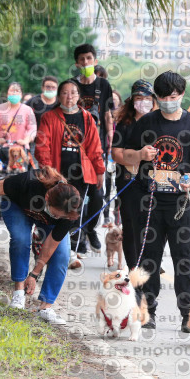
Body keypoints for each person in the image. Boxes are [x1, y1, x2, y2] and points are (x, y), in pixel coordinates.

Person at [123, 71, 190, 332]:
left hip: (183, 202)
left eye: (172, 97)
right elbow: (125, 155)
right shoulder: (146, 123)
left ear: (182, 95)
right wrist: (140, 155)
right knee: (148, 258)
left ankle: (189, 315)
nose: (167, 102)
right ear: (157, 97)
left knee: (185, 258)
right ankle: (146, 311)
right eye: (162, 97)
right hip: (149, 201)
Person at [0, 166, 81, 324]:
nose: (57, 217)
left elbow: (51, 244)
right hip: (17, 206)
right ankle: (19, 293)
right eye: (55, 214)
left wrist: (34, 274)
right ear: (47, 197)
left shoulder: (69, 211)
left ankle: (45, 307)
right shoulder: (29, 181)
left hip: (45, 221)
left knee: (62, 254)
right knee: (21, 239)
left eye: (60, 216)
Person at [34, 80, 105, 257]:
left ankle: (72, 250)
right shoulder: (49, 117)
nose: (69, 97)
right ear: (59, 96)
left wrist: (100, 171)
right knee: (55, 209)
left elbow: (95, 148)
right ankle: (50, 247)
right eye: (65, 93)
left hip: (81, 173)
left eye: (73, 93)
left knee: (75, 211)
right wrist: (49, 171)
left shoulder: (87, 118)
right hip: (57, 173)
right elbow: (42, 146)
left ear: (79, 96)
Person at [71, 44, 114, 253]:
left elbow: (107, 115)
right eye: (82, 59)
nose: (86, 62)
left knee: (97, 194)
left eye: (89, 58)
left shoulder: (103, 85)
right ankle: (75, 236)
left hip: (97, 148)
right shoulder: (71, 85)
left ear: (95, 61)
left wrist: (110, 138)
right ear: (77, 63)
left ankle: (90, 228)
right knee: (75, 193)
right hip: (73, 148)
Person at [111, 80, 156, 268]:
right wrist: (138, 156)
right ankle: (133, 268)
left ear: (153, 100)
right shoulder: (125, 124)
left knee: (151, 225)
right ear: (132, 100)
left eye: (147, 98)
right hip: (128, 180)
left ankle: (149, 263)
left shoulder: (158, 122)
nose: (143, 102)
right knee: (130, 225)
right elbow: (116, 154)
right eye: (139, 98)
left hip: (154, 181)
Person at [0, 82, 36, 149]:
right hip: (2, 149)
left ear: (21, 95)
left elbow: (32, 129)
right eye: (12, 90)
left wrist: (26, 140)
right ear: (7, 94)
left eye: (17, 91)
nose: (14, 93)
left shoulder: (28, 110)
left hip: (20, 150)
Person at [102, 89, 123, 228]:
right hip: (107, 155)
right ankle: (105, 216)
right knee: (107, 186)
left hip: (120, 155)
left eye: (115, 99)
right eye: (111, 99)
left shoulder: (123, 117)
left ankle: (117, 215)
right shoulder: (104, 116)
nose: (113, 101)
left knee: (118, 186)